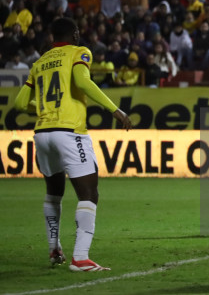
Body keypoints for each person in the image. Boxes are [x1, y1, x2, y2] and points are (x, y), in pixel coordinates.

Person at [13, 18, 131, 271]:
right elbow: (83, 82)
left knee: (54, 193)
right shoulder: (80, 52)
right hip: (69, 132)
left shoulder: (40, 62)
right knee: (89, 194)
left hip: (42, 134)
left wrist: (44, 107)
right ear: (75, 34)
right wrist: (115, 110)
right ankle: (80, 257)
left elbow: (21, 104)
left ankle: (54, 248)